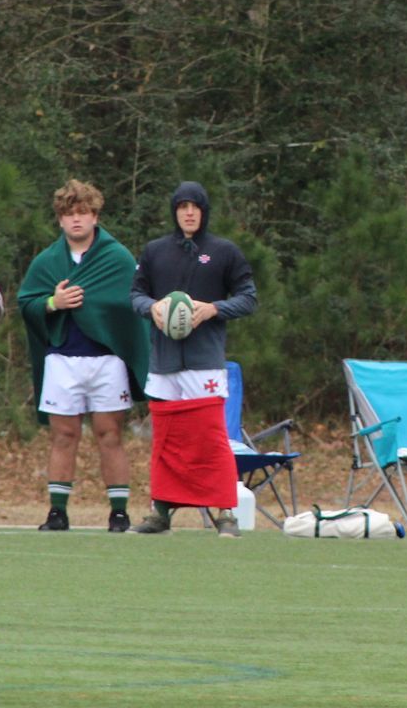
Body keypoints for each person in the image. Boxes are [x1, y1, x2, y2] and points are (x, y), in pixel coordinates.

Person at [19, 179, 151, 533]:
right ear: (60, 219)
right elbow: (27, 302)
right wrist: (52, 303)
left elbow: (131, 303)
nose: (76, 220)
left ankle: (119, 513)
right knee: (64, 435)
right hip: (63, 359)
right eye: (69, 214)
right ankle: (57, 512)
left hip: (107, 359)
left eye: (83, 213)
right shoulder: (47, 261)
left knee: (110, 433)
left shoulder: (117, 257)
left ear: (95, 216)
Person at [129, 181, 257, 535]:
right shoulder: (155, 251)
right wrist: (151, 307)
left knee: (210, 438)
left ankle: (226, 511)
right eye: (182, 206)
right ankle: (161, 511)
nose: (188, 212)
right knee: (166, 440)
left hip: (205, 364)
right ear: (174, 211)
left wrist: (213, 309)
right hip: (164, 363)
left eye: (195, 206)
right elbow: (136, 294)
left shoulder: (224, 251)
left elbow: (248, 297)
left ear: (204, 211)